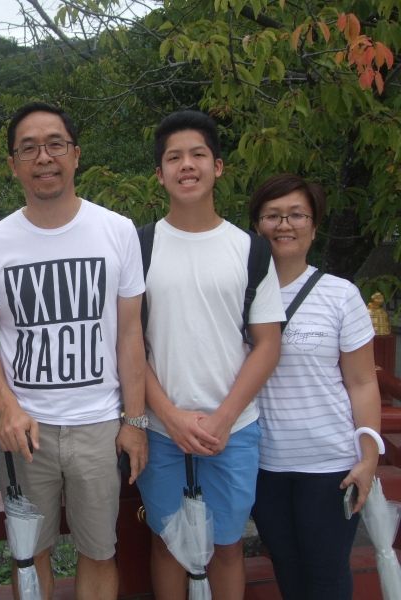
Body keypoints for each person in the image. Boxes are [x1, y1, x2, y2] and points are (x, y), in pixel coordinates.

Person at [0, 101, 148, 600]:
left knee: (100, 550)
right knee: (29, 553)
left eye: (54, 145)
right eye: (28, 148)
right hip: (28, 429)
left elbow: (130, 334)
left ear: (75, 154)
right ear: (13, 164)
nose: (43, 157)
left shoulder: (118, 230)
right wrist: (6, 407)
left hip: (99, 425)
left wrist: (135, 422)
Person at [134, 110, 285, 600]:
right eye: (173, 158)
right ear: (159, 174)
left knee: (226, 546)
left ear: (218, 166)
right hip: (161, 430)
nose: (187, 165)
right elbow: (130, 344)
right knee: (167, 544)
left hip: (235, 429)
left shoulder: (251, 251)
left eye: (198, 154)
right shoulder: (140, 248)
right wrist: (171, 416)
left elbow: (267, 343)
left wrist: (223, 417)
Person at [249, 173, 381, 600]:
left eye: (296, 215)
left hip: (329, 466)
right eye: (272, 215)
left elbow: (361, 382)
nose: (284, 225)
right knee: (288, 571)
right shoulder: (241, 293)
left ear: (314, 225)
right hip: (264, 463)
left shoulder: (341, 295)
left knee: (326, 578)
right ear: (257, 225)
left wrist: (369, 456)